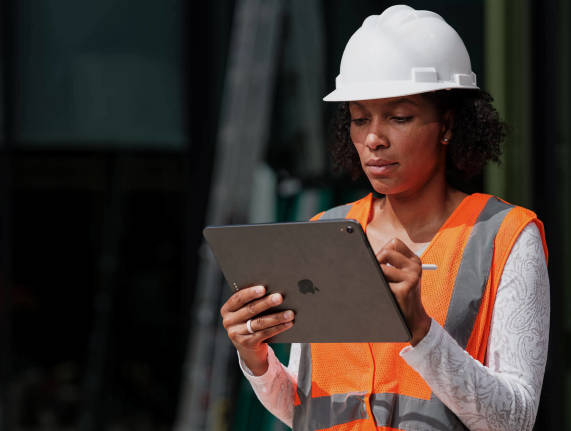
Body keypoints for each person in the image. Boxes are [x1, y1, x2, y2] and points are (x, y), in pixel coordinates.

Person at [219, 5, 549, 431]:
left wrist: (421, 331)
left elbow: (516, 420)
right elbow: (305, 408)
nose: (374, 138)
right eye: (360, 119)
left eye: (399, 117)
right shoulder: (323, 233)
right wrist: (256, 359)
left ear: (447, 124)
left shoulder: (506, 237)